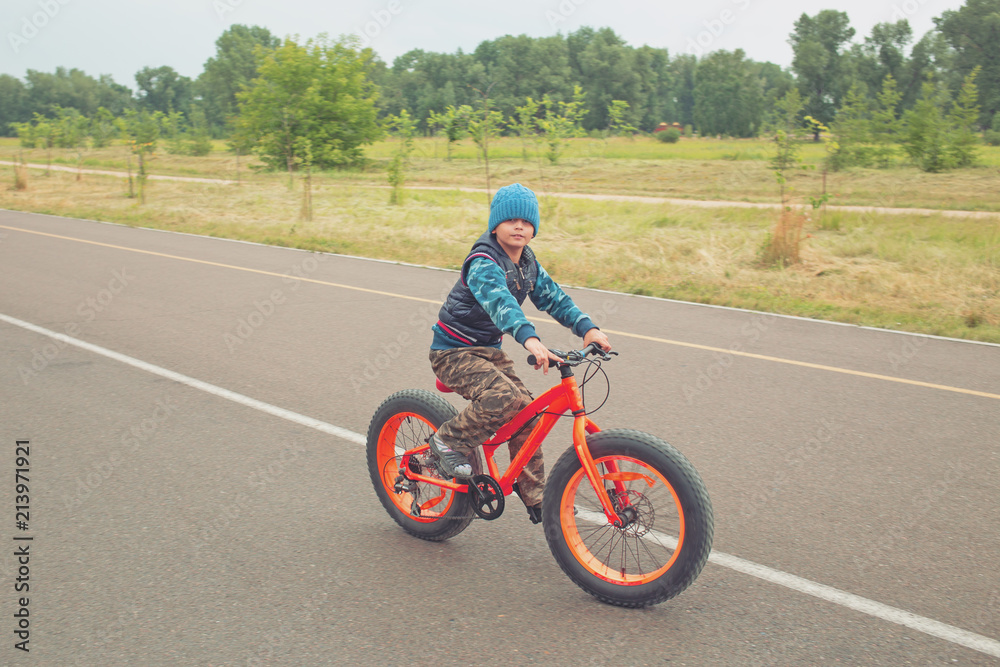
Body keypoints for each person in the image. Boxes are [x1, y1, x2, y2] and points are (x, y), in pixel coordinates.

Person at [428, 183, 612, 524]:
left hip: (486, 351)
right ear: (494, 226)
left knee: (527, 412)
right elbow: (502, 305)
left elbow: (554, 299)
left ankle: (535, 495)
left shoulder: (527, 264)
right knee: (502, 398)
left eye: (526, 222)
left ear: (534, 229)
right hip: (453, 351)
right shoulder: (483, 261)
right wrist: (530, 339)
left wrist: (587, 328)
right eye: (509, 220)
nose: (518, 227)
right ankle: (446, 442)